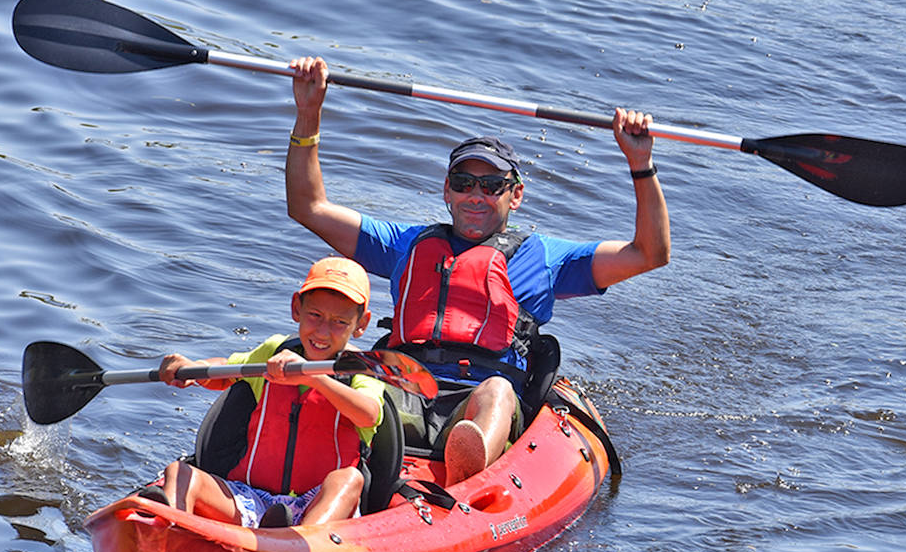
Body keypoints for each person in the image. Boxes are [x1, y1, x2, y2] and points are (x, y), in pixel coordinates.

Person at [283, 56, 669, 484]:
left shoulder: (543, 257)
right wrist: (308, 112)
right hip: (403, 389)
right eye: (464, 184)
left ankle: (467, 477)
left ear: (515, 195)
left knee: (498, 392)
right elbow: (309, 206)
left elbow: (648, 253)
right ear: (447, 190)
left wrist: (640, 164)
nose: (476, 196)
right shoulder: (406, 244)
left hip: (479, 397)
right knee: (350, 379)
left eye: (491, 186)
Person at [140, 256, 385, 528]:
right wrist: (193, 369)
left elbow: (368, 415)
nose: (323, 331)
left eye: (339, 322)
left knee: (349, 480)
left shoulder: (365, 368)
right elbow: (228, 372)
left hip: (320, 507)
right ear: (296, 308)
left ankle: (292, 547)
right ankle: (165, 535)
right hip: (252, 497)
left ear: (361, 324)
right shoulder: (276, 352)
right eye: (315, 315)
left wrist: (314, 378)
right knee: (179, 472)